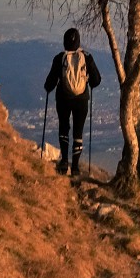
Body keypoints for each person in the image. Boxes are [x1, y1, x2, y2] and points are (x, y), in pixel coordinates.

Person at [44, 27, 102, 176]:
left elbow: (50, 82)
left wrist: (48, 88)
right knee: (78, 132)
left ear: (64, 42)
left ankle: (64, 162)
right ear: (79, 42)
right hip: (81, 100)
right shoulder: (87, 58)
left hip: (63, 98)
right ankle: (75, 167)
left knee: (64, 128)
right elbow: (96, 81)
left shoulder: (59, 58)